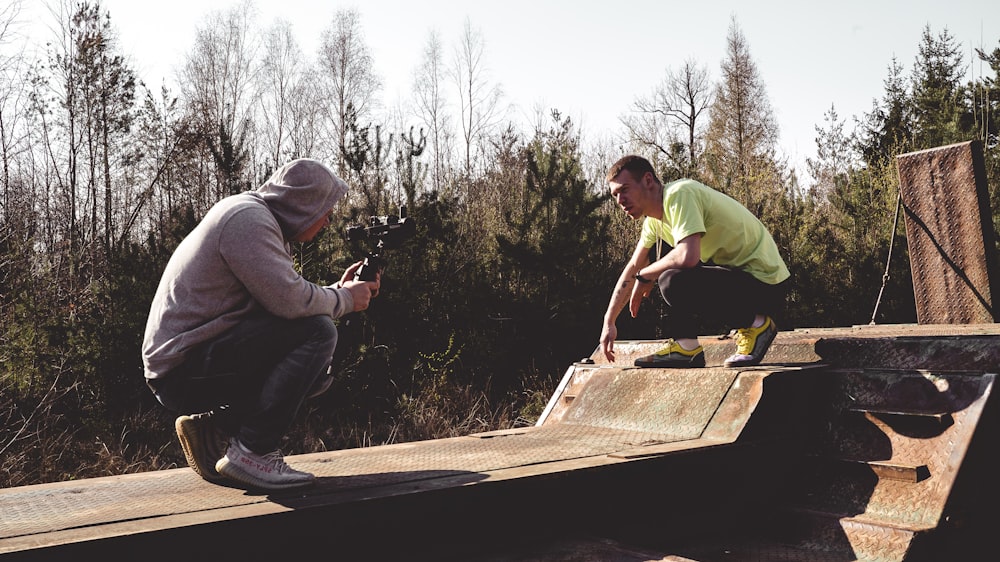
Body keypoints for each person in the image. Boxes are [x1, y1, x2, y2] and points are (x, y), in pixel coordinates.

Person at [141, 158, 379, 490]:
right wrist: (344, 300)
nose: (328, 221)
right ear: (302, 205)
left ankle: (215, 429)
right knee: (318, 333)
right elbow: (291, 301)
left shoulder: (258, 219)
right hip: (181, 371)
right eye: (326, 211)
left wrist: (338, 293)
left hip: (193, 361)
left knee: (315, 367)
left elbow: (282, 300)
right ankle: (253, 452)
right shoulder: (247, 220)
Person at [600, 155, 789, 369]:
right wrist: (609, 321)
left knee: (672, 278)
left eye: (624, 190)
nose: (620, 200)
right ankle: (686, 347)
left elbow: (687, 256)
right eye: (615, 195)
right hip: (741, 283)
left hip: (767, 284)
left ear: (648, 180)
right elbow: (632, 268)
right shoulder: (654, 223)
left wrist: (647, 274)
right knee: (670, 268)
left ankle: (757, 325)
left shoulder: (680, 194)